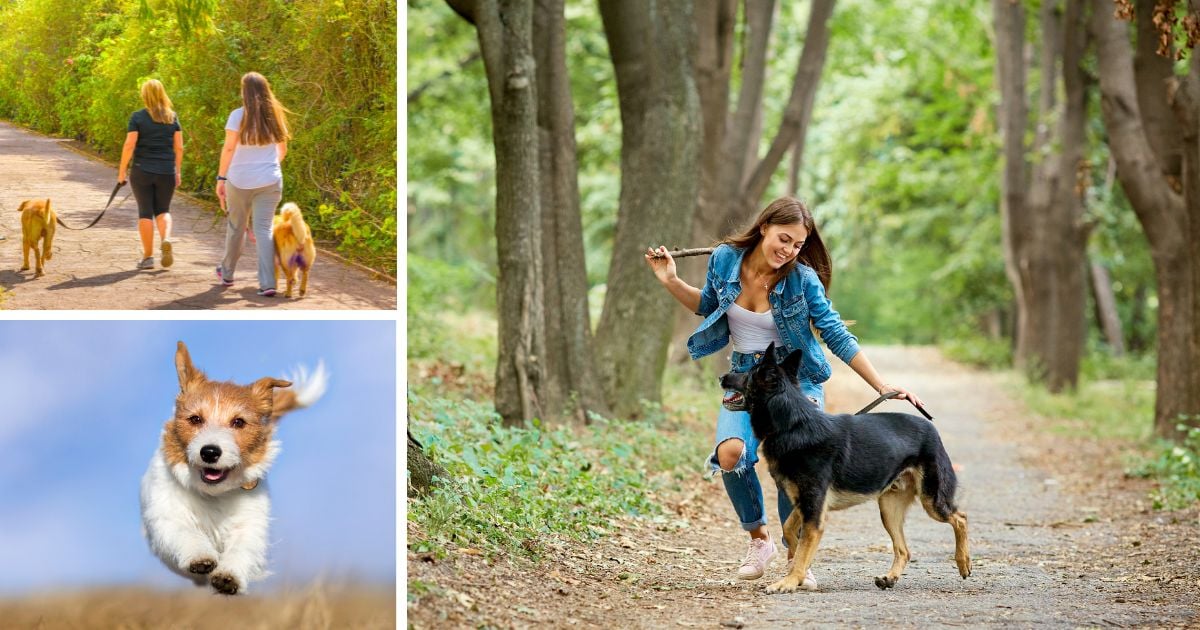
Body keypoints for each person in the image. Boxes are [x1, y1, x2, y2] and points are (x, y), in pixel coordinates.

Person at [644, 196, 925, 588]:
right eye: (784, 239)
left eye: (797, 244)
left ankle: (798, 558)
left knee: (795, 467)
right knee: (731, 454)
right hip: (746, 378)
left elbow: (835, 334)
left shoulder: (802, 279)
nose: (788, 250)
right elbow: (708, 305)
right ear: (764, 227)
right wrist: (671, 280)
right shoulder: (725, 260)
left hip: (795, 382)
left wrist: (881, 385)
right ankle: (760, 541)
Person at [214, 71, 291, 297]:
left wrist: (221, 177)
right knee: (264, 229)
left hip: (239, 180)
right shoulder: (275, 116)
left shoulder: (238, 116)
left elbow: (228, 149)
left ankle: (227, 274)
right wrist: (267, 167)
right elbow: (282, 150)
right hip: (270, 180)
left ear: (244, 92)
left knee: (236, 226)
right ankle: (268, 283)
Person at [118, 79, 182, 270]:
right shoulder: (172, 117)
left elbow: (129, 145)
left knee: (145, 212)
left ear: (144, 96)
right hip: (166, 171)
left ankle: (148, 258)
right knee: (163, 210)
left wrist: (122, 170)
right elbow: (179, 146)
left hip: (142, 170)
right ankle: (167, 239)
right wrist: (177, 171)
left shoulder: (137, 117)